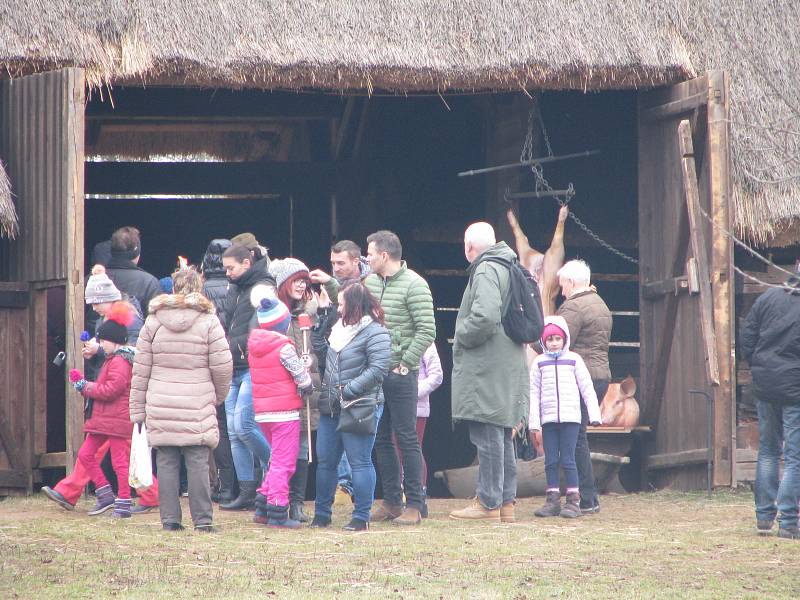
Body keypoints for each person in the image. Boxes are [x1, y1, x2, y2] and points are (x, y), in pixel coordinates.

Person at [129, 268, 233, 532]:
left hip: (160, 400)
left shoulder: (153, 322)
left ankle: (170, 520)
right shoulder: (209, 322)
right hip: (197, 400)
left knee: (166, 460)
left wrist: (137, 410)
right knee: (197, 459)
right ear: (199, 287)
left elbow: (140, 369)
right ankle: (203, 520)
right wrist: (218, 396)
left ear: (173, 289)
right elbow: (222, 367)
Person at [449, 223, 529, 522]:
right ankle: (506, 502)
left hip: (488, 365)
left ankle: (488, 502)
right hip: (507, 361)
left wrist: (461, 335)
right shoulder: (508, 264)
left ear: (469, 247)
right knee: (501, 431)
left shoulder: (485, 270)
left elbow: (484, 317)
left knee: (488, 433)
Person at [364, 230, 435, 525]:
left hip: (401, 375)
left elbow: (427, 329)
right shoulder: (368, 283)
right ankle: (392, 501)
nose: (366, 258)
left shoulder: (415, 284)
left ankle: (416, 505)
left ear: (383, 255)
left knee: (406, 438)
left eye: (369, 253)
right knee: (381, 440)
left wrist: (405, 364)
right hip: (376, 374)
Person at [42, 304, 137, 519]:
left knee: (119, 462)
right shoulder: (113, 359)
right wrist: (86, 385)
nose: (101, 344)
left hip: (115, 419)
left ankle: (123, 502)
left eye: (103, 341)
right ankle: (105, 494)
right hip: (105, 418)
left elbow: (112, 390)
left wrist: (85, 386)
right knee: (86, 455)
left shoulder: (120, 362)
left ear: (115, 341)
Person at [311, 282, 391, 530]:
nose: (339, 306)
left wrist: (349, 390)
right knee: (326, 461)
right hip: (333, 404)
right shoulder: (338, 329)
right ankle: (322, 514)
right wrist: (323, 315)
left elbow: (379, 369)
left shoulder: (376, 332)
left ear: (354, 304)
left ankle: (361, 517)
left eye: (342, 302)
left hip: (359, 404)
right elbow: (321, 351)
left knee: (360, 461)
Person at [309, 240, 370, 505]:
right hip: (332, 370)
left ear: (357, 261)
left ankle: (352, 491)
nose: (335, 268)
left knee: (358, 444)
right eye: (333, 263)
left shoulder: (372, 284)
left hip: (358, 376)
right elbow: (323, 339)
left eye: (341, 263)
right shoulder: (332, 290)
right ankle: (333, 498)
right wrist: (322, 313)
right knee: (329, 447)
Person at [740, 273, 800, 540]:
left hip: (766, 383)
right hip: (795, 385)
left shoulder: (767, 297)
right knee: (795, 456)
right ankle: (788, 521)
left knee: (768, 450)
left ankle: (764, 517)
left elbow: (747, 337)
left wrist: (759, 365)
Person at [219, 243, 276, 510]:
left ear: (246, 263)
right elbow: (226, 319)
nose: (227, 273)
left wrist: (232, 344)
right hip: (235, 365)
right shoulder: (236, 287)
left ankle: (276, 468)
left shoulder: (263, 287)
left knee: (244, 426)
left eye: (230, 268)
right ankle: (247, 491)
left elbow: (262, 327)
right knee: (233, 431)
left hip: (253, 365)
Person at [249, 297, 314, 528]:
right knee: (284, 464)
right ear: (283, 323)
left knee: (275, 460)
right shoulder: (284, 347)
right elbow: (301, 377)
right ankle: (277, 511)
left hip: (263, 413)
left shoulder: (255, 346)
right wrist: (307, 378)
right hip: (284, 413)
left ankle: (262, 505)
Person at [530, 316, 602, 519]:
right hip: (549, 420)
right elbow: (533, 394)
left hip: (571, 418)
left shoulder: (574, 360)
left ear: (564, 339)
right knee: (550, 460)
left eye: (557, 338)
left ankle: (573, 501)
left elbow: (587, 388)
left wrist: (594, 414)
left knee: (569, 459)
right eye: (549, 339)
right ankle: (552, 500)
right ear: (543, 341)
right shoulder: (539, 363)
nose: (553, 343)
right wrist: (534, 423)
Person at [556, 259, 612, 514]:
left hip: (579, 377)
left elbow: (554, 341)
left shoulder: (574, 308)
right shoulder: (600, 304)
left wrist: (528, 342)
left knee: (574, 438)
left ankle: (586, 498)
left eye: (562, 285)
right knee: (579, 437)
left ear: (570, 282)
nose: (561, 291)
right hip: (600, 375)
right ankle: (584, 496)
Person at [271, 258, 321, 523]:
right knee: (279, 450)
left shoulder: (313, 314)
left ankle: (297, 503)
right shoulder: (270, 315)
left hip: (306, 391)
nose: (302, 285)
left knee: (303, 446)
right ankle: (273, 500)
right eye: (296, 279)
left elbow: (320, 350)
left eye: (305, 280)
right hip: (280, 390)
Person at [201, 238, 237, 503]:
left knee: (221, 425)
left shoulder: (202, 290)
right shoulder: (237, 286)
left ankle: (224, 486)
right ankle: (248, 483)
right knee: (239, 426)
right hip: (238, 358)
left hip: (211, 362)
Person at [392, 343, 443, 515]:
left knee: (412, 450)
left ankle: (418, 498)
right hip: (392, 404)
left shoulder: (425, 340)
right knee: (393, 452)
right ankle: (397, 498)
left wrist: (411, 392)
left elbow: (437, 375)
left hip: (416, 407)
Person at [104, 226, 161, 317]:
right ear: (136, 251)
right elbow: (156, 321)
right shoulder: (149, 283)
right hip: (137, 331)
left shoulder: (91, 280)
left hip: (96, 331)